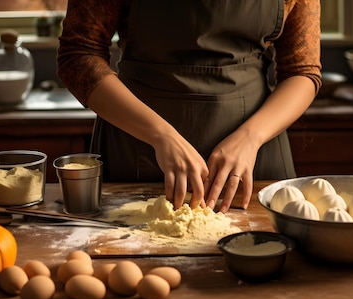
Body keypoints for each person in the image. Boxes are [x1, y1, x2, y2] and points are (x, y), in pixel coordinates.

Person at [57, 0, 321, 213]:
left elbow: (302, 71)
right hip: (138, 149)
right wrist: (160, 135)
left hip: (253, 158)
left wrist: (251, 137)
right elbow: (78, 57)